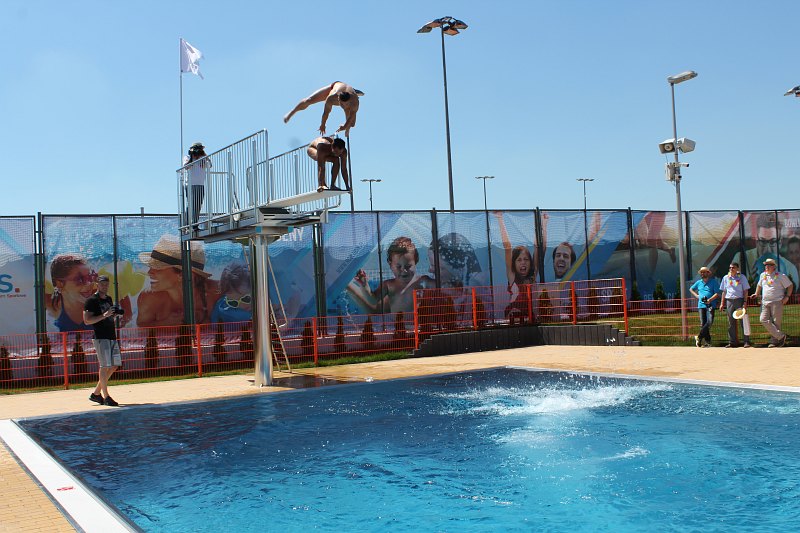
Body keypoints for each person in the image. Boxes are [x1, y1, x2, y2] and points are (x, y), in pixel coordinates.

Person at [136, 234, 215, 327]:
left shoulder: (215, 293)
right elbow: (141, 328)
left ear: (182, 275)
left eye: (157, 268)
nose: (149, 272)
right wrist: (165, 324)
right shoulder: (149, 298)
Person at [347, 236, 435, 314]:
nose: (403, 270)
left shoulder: (423, 281)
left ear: (416, 261)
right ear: (390, 265)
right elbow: (372, 301)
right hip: (399, 326)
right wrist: (364, 285)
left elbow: (440, 286)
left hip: (420, 326)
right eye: (398, 267)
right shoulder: (389, 285)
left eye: (408, 266)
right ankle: (347, 285)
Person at [83, 275, 121, 406]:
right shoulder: (91, 301)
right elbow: (87, 320)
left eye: (106, 284)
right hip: (100, 337)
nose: (105, 286)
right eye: (102, 284)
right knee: (104, 366)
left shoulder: (108, 299)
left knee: (114, 365)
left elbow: (108, 317)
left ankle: (96, 394)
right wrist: (104, 315)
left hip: (111, 335)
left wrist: (113, 315)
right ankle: (106, 397)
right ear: (97, 285)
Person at [496, 212, 537, 323]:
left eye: (526, 259)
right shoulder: (512, 276)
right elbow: (508, 247)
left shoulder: (532, 276)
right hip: (513, 311)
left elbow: (538, 248)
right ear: (513, 263)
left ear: (530, 263)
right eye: (519, 260)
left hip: (529, 312)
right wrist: (500, 219)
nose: (523, 263)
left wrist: (542, 223)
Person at [741, 212, 799, 289]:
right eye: (763, 241)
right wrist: (751, 281)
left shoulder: (790, 269)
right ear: (756, 241)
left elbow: (792, 290)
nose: (767, 248)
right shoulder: (741, 258)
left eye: (773, 242)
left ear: (780, 242)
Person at [283, 81, 363, 136]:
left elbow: (352, 115)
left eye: (346, 104)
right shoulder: (331, 98)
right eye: (341, 104)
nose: (343, 106)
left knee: (352, 124)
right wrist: (323, 124)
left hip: (350, 95)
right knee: (308, 100)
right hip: (335, 86)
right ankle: (292, 112)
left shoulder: (354, 101)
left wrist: (345, 127)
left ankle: (353, 90)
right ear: (338, 99)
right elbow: (326, 113)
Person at [750, 257, 793, 348]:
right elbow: (759, 285)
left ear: (774, 266)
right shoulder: (763, 275)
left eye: (769, 265)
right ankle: (781, 336)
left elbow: (790, 285)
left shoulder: (780, 275)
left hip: (777, 301)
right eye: (765, 265)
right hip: (765, 302)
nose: (766, 266)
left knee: (776, 323)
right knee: (763, 319)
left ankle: (774, 342)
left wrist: (787, 297)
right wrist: (756, 293)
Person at [48, 254, 95, 332]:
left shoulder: (101, 305)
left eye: (90, 277)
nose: (88, 283)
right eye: (79, 279)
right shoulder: (51, 309)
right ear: (60, 284)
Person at [719, 262, 751, 348]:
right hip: (729, 300)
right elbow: (724, 291)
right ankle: (732, 342)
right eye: (730, 267)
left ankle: (746, 341)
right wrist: (722, 303)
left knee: (743, 321)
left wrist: (745, 302)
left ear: (737, 269)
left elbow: (745, 290)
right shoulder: (726, 278)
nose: (731, 269)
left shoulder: (742, 277)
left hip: (739, 300)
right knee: (731, 322)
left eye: (733, 267)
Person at [689, 266, 720, 348]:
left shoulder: (713, 282)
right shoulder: (698, 282)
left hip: (710, 305)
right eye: (701, 272)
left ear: (708, 273)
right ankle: (707, 342)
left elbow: (717, 293)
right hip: (701, 305)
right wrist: (696, 296)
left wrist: (710, 299)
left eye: (704, 272)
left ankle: (699, 337)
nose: (702, 273)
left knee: (709, 322)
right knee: (703, 323)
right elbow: (691, 289)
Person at [183, 142, 211, 227]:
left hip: (200, 184)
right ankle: (187, 224)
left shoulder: (203, 158)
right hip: (190, 184)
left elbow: (210, 165)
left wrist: (205, 156)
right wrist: (192, 157)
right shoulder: (187, 157)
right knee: (191, 204)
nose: (198, 151)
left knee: (198, 205)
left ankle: (195, 224)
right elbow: (186, 167)